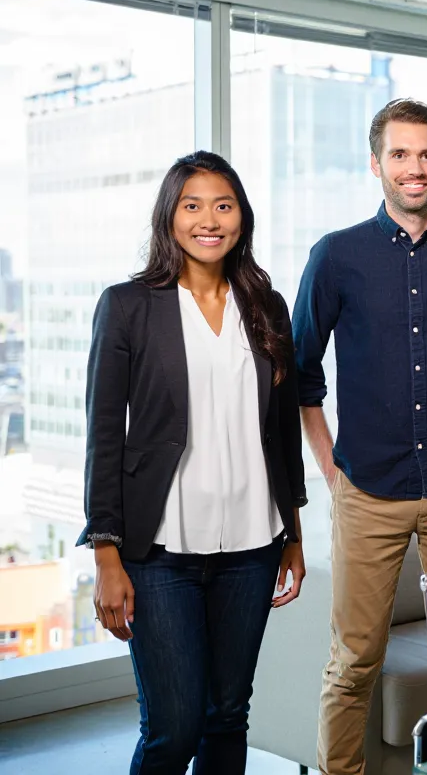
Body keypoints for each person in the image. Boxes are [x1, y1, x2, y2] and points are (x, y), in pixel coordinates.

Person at [294, 99, 427, 775]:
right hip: (370, 490)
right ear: (375, 162)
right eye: (400, 155)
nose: (415, 169)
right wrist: (331, 466)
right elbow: (301, 373)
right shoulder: (336, 256)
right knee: (355, 657)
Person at [80, 151, 307, 775]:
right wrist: (107, 555)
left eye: (223, 205)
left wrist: (293, 534)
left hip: (253, 548)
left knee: (227, 717)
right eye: (192, 205)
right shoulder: (128, 305)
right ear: (170, 217)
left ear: (242, 218)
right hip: (160, 554)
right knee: (173, 730)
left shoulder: (266, 305)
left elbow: (282, 429)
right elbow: (103, 437)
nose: (209, 219)